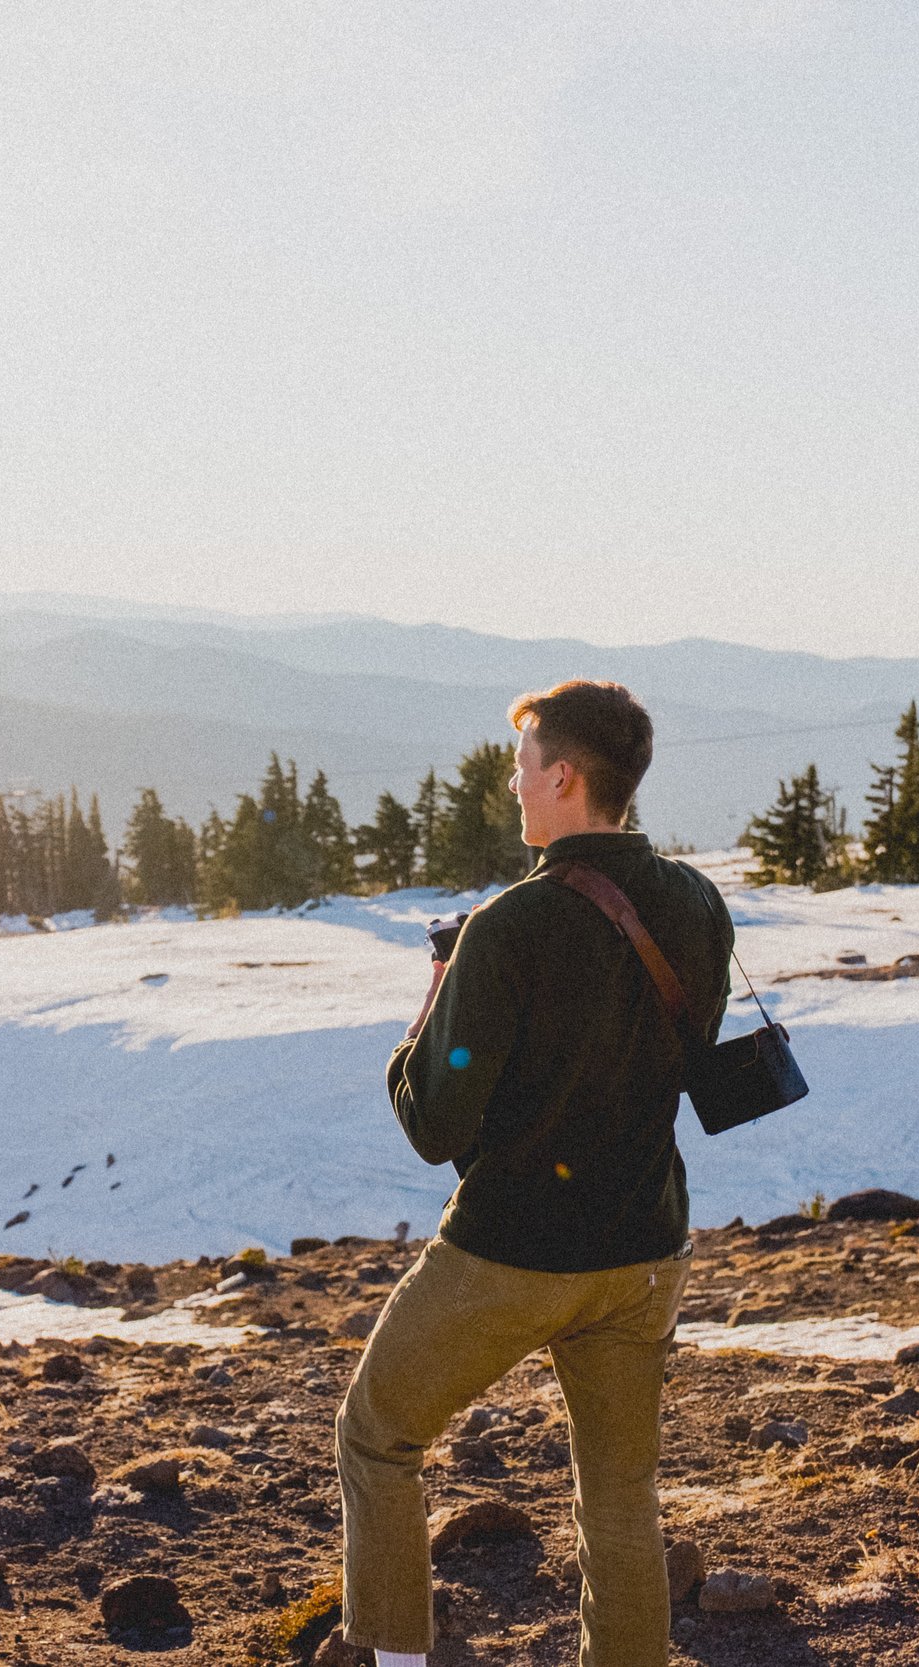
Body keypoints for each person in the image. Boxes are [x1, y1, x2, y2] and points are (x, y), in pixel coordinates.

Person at [335, 679, 734, 1667]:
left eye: (521, 764)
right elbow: (677, 1052)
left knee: (378, 1434)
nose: (512, 783)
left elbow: (434, 1120)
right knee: (619, 1488)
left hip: (514, 1251)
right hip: (645, 1247)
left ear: (563, 775)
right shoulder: (695, 903)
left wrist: (433, 1000)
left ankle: (389, 1656)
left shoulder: (507, 927)